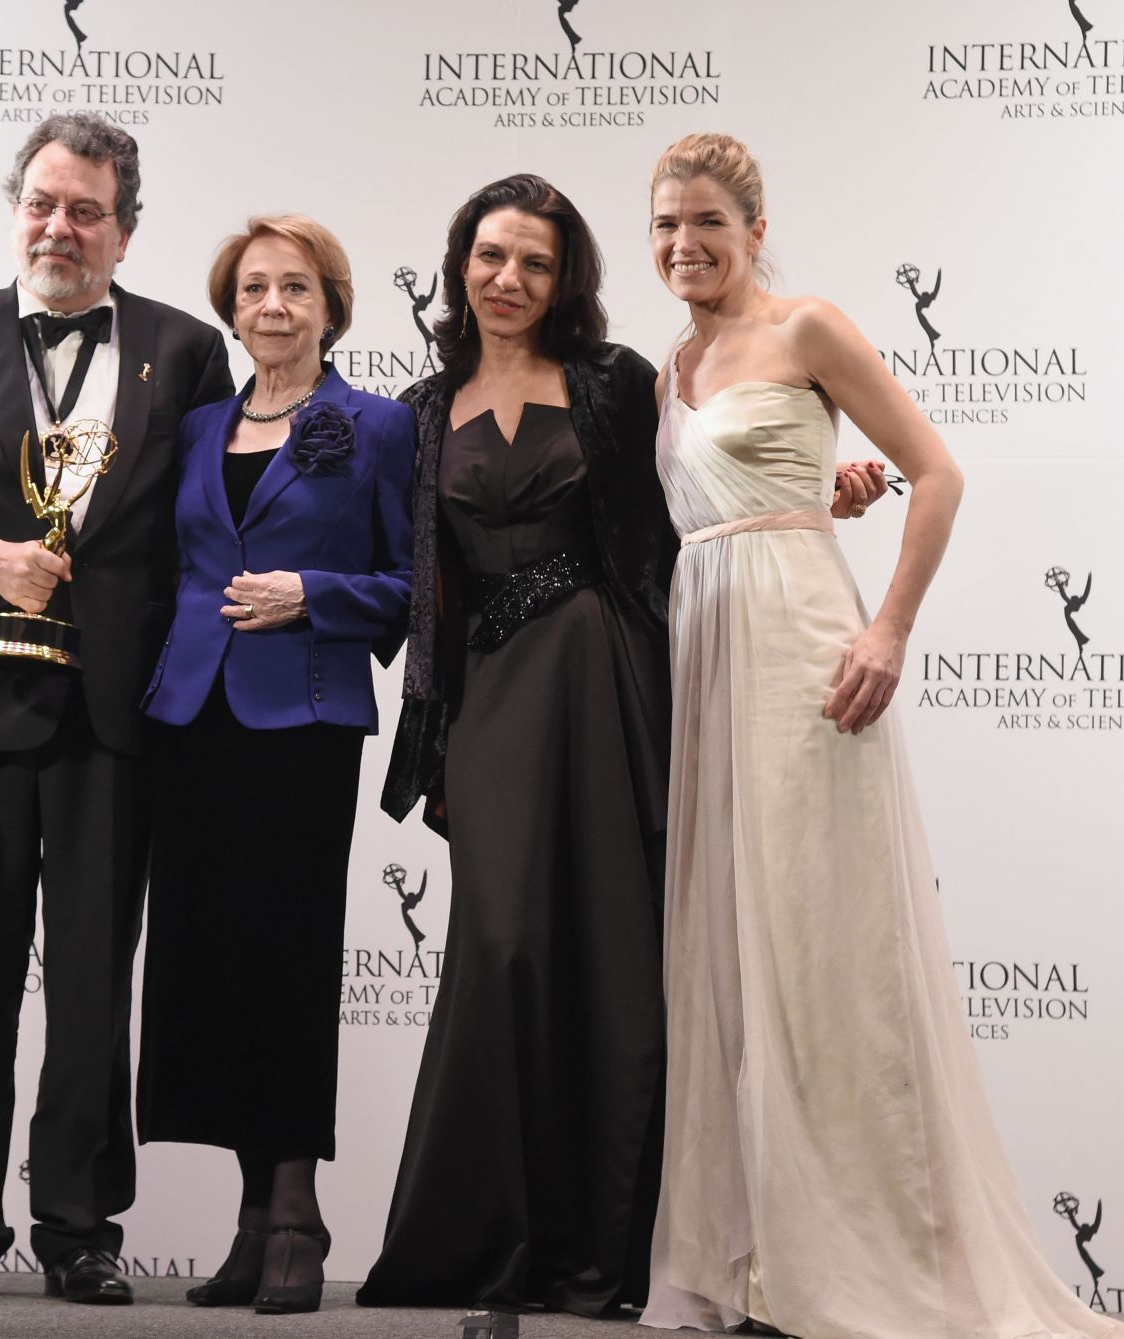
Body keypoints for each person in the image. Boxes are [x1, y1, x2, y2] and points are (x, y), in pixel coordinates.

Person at [639, 132, 1124, 1339]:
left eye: (707, 220)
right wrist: (827, 496)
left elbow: (939, 472)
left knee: (825, 956)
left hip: (810, 659)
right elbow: (748, 501)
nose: (683, 244)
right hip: (706, 652)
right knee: (731, 958)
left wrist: (890, 630)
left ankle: (860, 1262)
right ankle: (755, 1259)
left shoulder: (808, 325)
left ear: (757, 228)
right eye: (665, 223)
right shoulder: (674, 363)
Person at [0, 112, 232, 1306]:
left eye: (86, 209)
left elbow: (199, 535)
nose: (58, 227)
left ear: (126, 228)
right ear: (14, 206)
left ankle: (79, 1227)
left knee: (90, 986)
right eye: (41, 202)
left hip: (114, 715)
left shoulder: (184, 354)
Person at [358, 172, 678, 1318]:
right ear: (459, 265)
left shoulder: (614, 383)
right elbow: (414, 577)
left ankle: (602, 1257)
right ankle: (482, 1242)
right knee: (498, 950)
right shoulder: (419, 404)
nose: (509, 279)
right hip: (487, 691)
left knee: (613, 956)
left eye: (535, 263)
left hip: (602, 676)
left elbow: (696, 499)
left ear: (566, 279)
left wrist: (813, 493)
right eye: (492, 256)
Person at [137, 215, 414, 1315]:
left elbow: (410, 585)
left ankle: (297, 1210)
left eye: (296, 287)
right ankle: (253, 1217)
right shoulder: (197, 424)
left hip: (302, 719)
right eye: (253, 287)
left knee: (289, 957)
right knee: (214, 967)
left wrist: (315, 595)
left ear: (330, 306)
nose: (273, 306)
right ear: (231, 306)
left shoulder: (378, 426)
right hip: (192, 716)